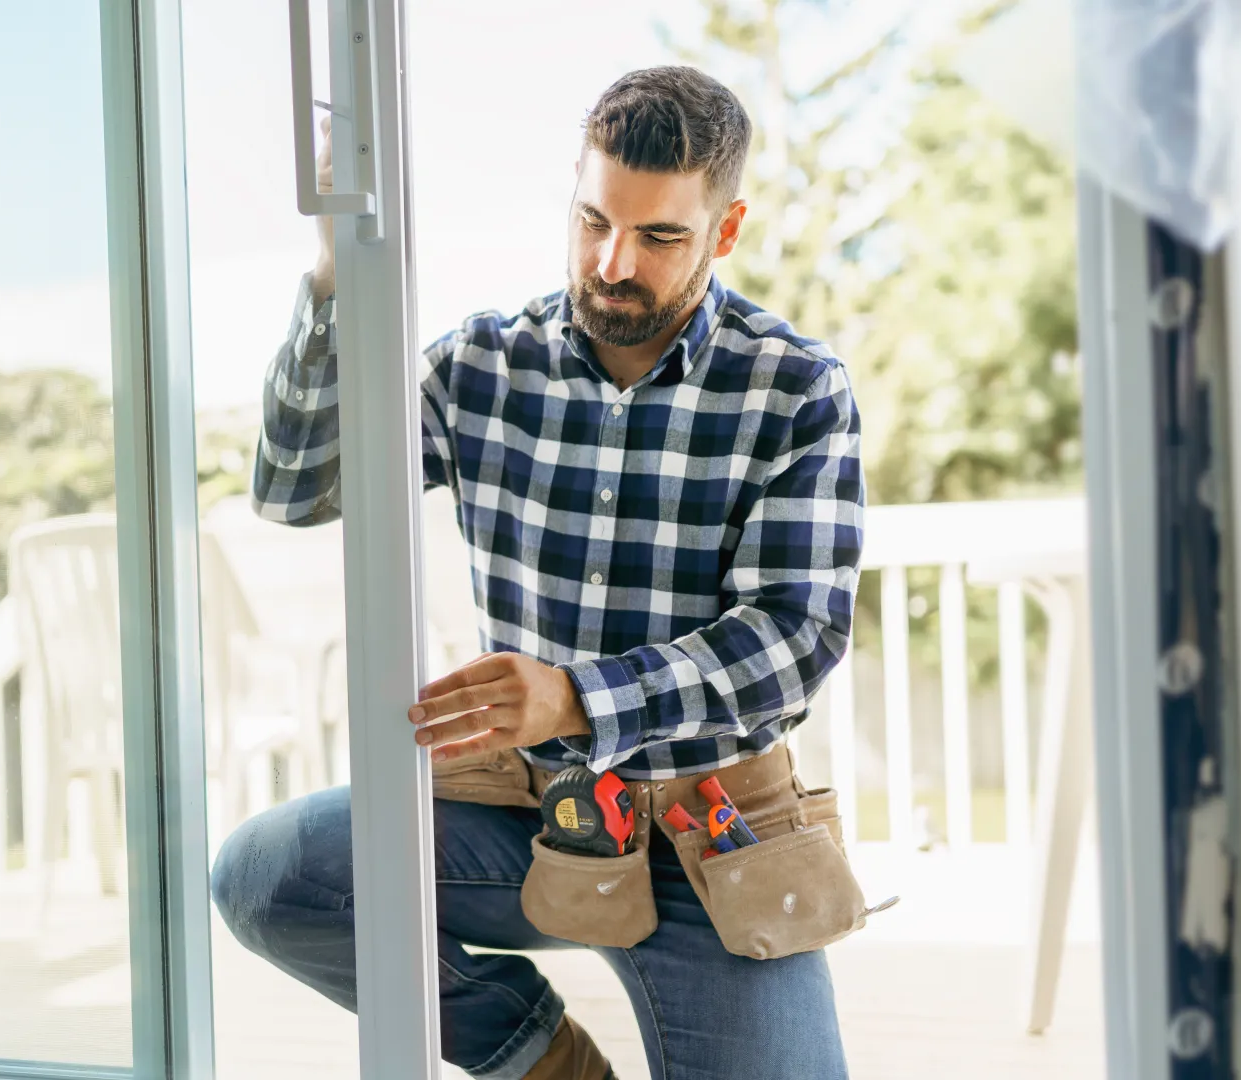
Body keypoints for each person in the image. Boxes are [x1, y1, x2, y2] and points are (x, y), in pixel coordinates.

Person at [210, 65, 864, 1080]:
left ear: (723, 231)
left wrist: (574, 696)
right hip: (529, 817)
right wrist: (335, 276)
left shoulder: (794, 386)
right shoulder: (480, 365)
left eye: (659, 238)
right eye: (595, 220)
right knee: (267, 877)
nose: (613, 262)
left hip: (710, 840)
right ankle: (541, 1061)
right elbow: (296, 488)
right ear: (574, 190)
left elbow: (795, 636)